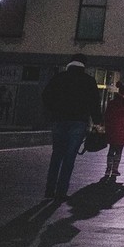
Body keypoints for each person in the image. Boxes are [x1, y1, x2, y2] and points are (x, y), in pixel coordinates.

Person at [42, 54, 101, 200]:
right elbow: (94, 103)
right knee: (69, 157)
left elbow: (46, 96)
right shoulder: (88, 81)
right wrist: (97, 122)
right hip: (78, 121)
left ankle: (49, 191)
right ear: (84, 65)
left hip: (59, 120)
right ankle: (61, 192)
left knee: (56, 155)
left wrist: (54, 111)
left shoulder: (59, 78)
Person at [101, 80, 124, 182]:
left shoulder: (112, 103)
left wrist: (104, 126)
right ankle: (115, 169)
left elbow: (107, 115)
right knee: (119, 150)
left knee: (111, 148)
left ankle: (108, 168)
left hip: (112, 129)